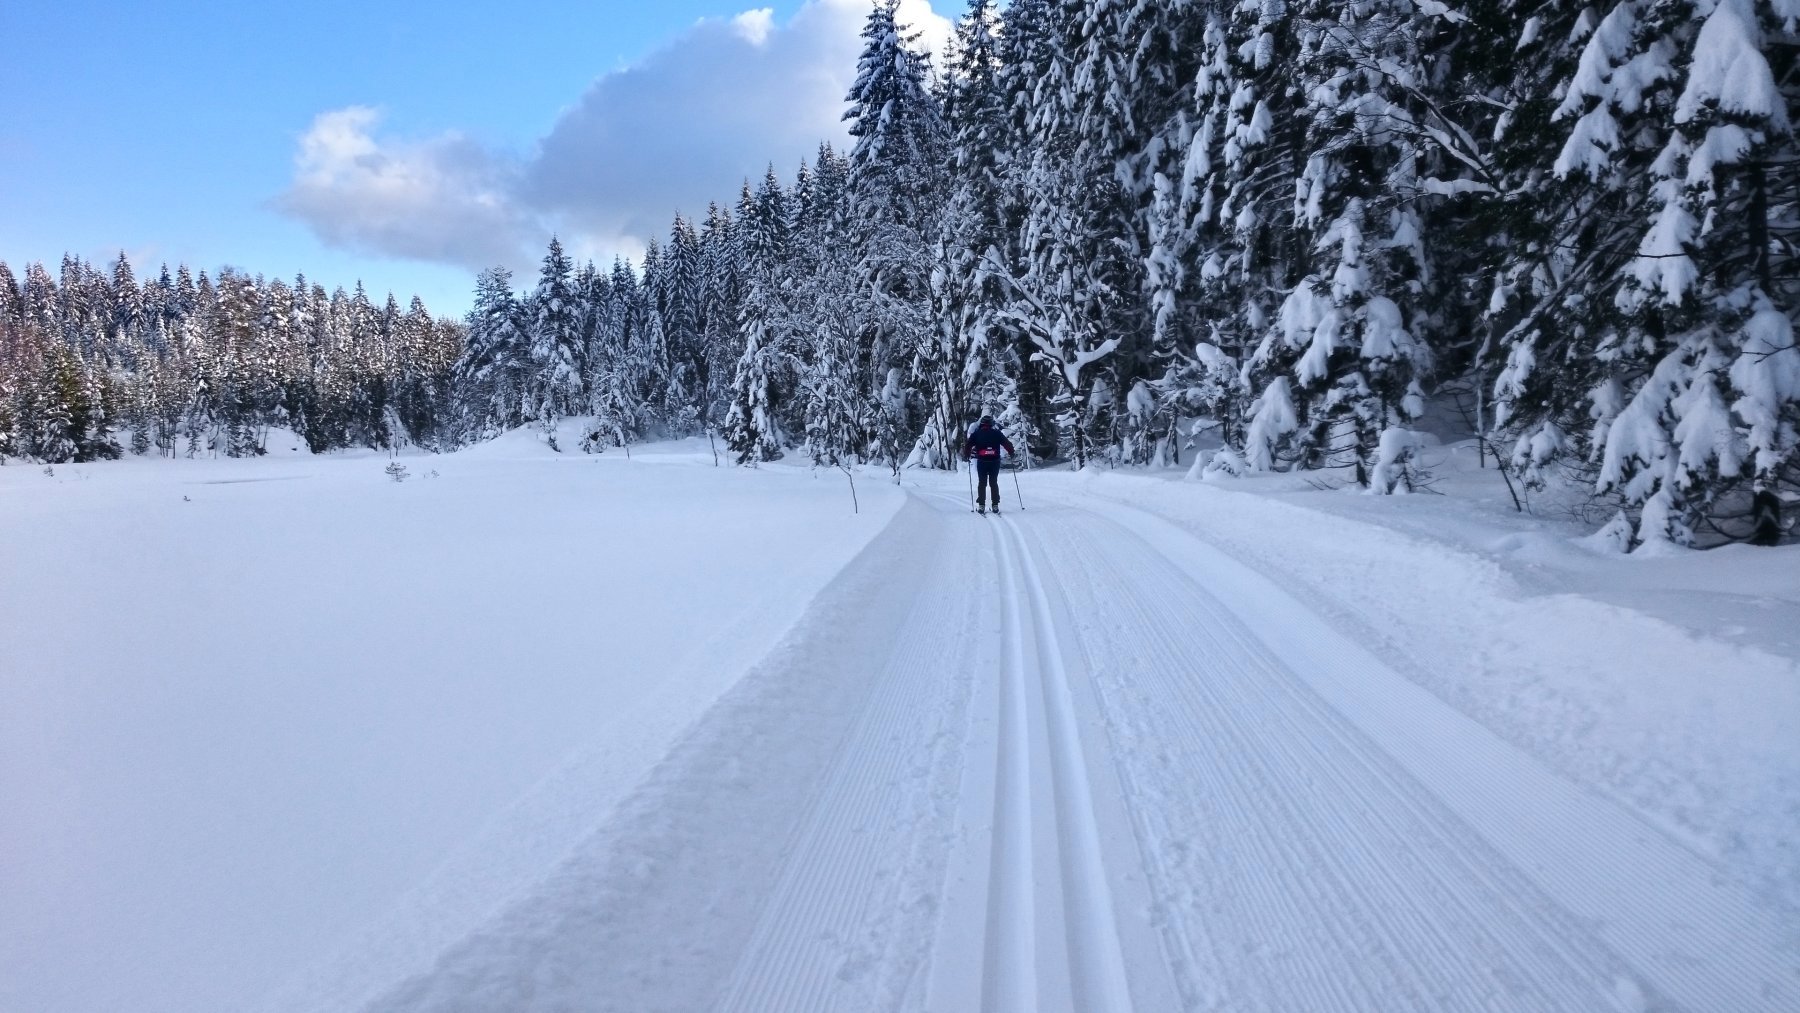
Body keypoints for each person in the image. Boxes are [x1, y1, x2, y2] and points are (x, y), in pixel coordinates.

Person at [963, 415, 1015, 514]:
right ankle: (995, 505)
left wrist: (966, 454)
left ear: (981, 423)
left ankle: (981, 505)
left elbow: (968, 444)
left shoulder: (977, 433)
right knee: (993, 483)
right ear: (991, 424)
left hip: (982, 461)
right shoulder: (997, 433)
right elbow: (1007, 443)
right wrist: (1011, 452)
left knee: (982, 483)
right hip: (994, 462)